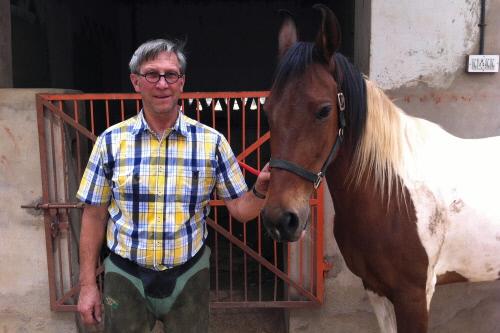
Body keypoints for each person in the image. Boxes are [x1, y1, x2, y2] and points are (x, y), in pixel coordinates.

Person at [76, 38, 270, 333]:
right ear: (136, 82)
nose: (162, 83)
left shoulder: (212, 143)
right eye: (152, 74)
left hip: (188, 275)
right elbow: (93, 215)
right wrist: (88, 285)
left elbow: (242, 210)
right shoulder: (110, 142)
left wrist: (262, 189)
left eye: (171, 74)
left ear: (182, 82)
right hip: (125, 274)